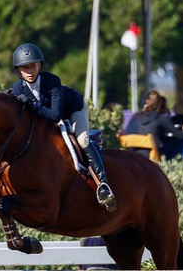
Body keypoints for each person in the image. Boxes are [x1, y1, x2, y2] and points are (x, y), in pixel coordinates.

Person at [10, 43, 117, 212]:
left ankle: (103, 185)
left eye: (33, 66)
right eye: (25, 68)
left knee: (82, 140)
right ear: (18, 70)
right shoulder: (17, 89)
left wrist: (31, 104)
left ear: (39, 66)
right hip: (46, 119)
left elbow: (55, 116)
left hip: (73, 109)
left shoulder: (52, 81)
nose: (30, 71)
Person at [123, 90, 183, 159]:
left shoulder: (136, 117)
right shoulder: (160, 118)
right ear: (160, 104)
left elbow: (127, 134)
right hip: (153, 157)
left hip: (134, 157)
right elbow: (181, 136)